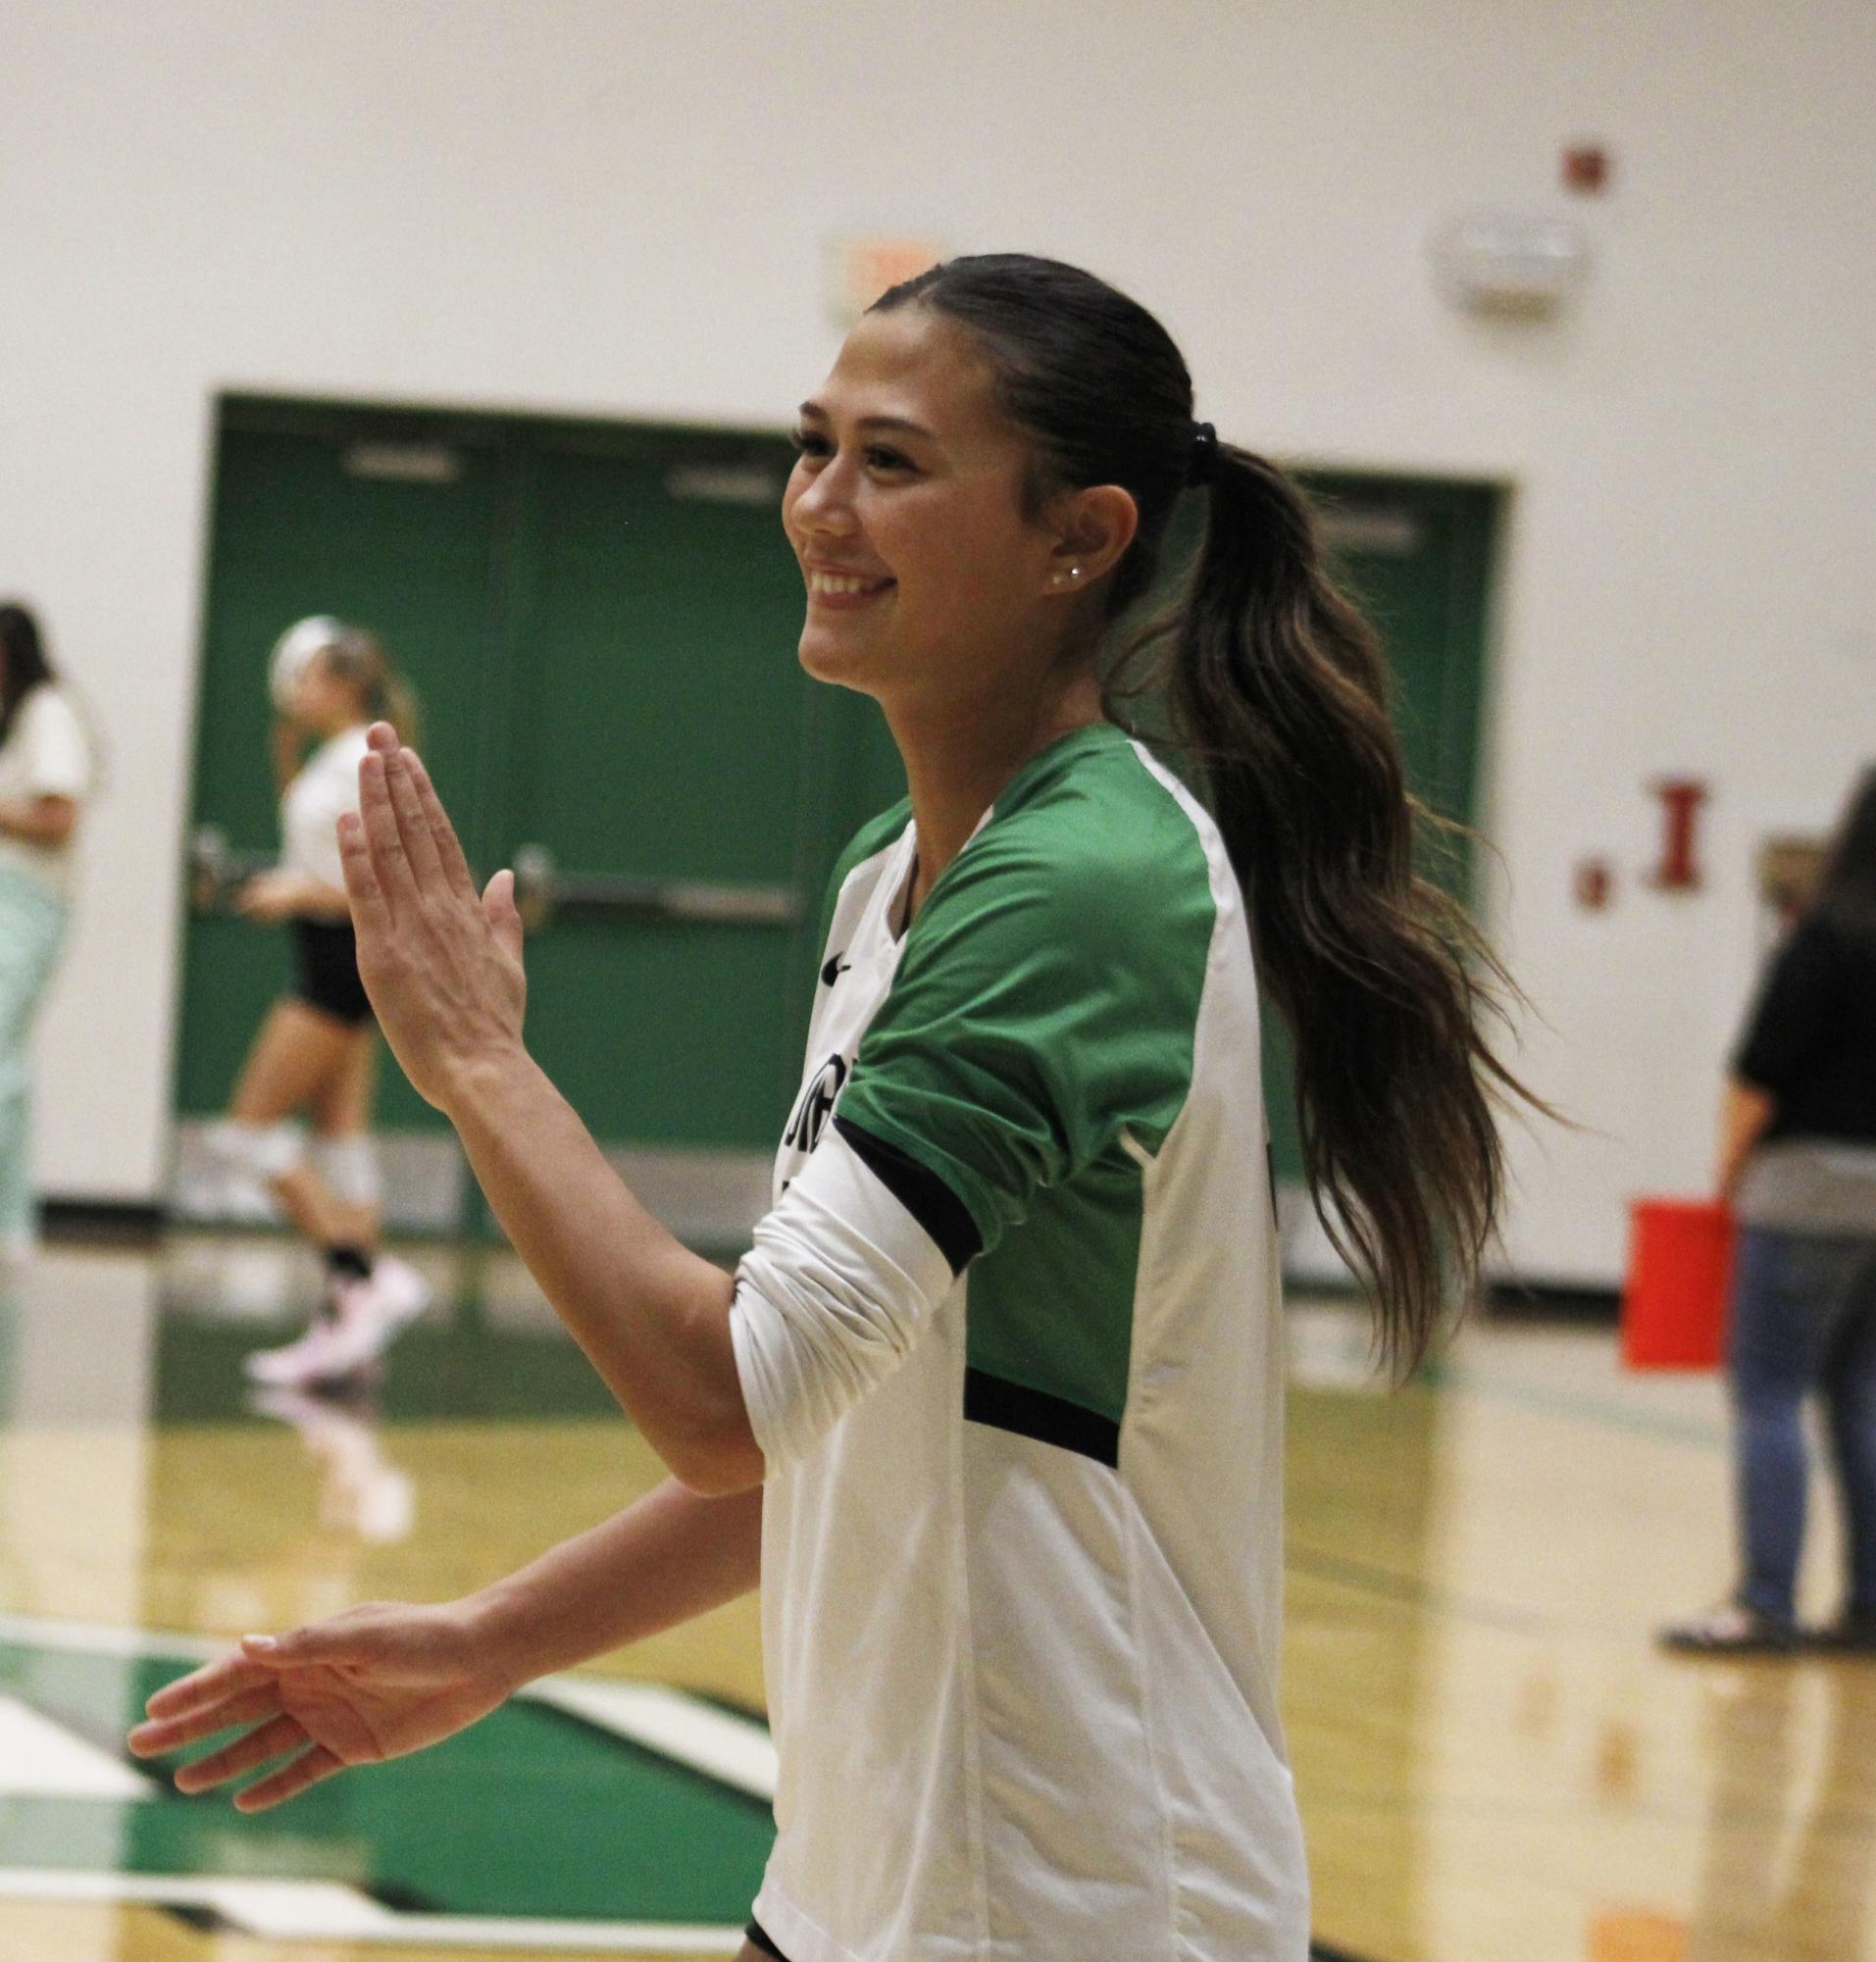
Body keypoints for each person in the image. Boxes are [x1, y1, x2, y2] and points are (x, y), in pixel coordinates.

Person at [129, 255, 1537, 1962]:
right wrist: (490, 1639)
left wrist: (479, 1069)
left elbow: (721, 1400)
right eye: (813, 447)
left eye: (891, 461)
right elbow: (822, 1423)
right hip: (860, 1884)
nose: (818, 505)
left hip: (1067, 1903)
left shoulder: (1082, 889)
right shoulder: (893, 879)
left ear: (1076, 538)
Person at [1662, 765, 1876, 1655]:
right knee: (1862, 1390)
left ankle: (1764, 1600)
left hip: (1804, 1189)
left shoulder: (1829, 935)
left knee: (1770, 1391)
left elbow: (1760, 1069)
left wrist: (1727, 1166)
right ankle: (1868, 1603)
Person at [213, 618, 431, 1385]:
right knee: (341, 1139)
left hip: (334, 963)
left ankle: (365, 1276)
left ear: (341, 685)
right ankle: (351, 1331)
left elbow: (368, 884)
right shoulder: (334, 759)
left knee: (248, 1132)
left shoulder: (356, 763)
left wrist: (292, 891)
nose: (293, 693)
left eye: (307, 677)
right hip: (334, 958)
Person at [0, 602, 93, 1267]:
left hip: (26, 904)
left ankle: (9, 1227)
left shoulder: (49, 713)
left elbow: (58, 814)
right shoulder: (15, 721)